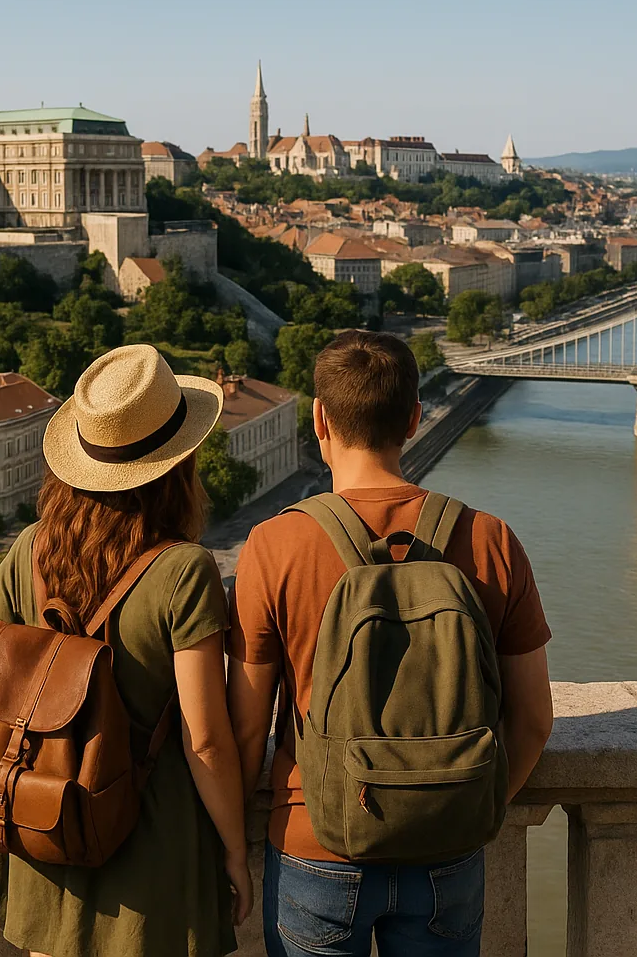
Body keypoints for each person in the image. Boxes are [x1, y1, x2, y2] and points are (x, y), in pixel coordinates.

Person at [228, 330, 555, 957]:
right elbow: (534, 721)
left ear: (318, 418)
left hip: (315, 842)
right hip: (448, 853)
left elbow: (246, 731)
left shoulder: (275, 545)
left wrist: (231, 837)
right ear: (414, 417)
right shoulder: (490, 539)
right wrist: (462, 806)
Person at [0, 344, 252, 957]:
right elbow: (204, 741)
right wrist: (234, 848)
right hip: (149, 862)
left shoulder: (29, 551)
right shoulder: (184, 571)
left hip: (46, 832)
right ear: (180, 465)